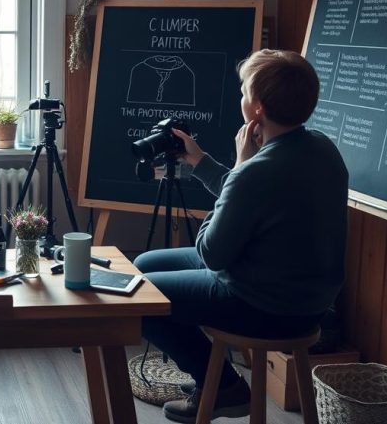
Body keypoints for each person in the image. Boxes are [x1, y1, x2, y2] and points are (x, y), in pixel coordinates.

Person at [134, 49, 348, 423]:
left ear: (258, 109)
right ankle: (212, 378)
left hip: (267, 306)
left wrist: (238, 168)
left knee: (142, 296)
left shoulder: (254, 171)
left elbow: (213, 252)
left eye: (244, 92)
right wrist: (203, 163)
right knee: (145, 264)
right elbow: (256, 202)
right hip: (311, 300)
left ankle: (225, 388)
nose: (241, 98)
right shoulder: (323, 148)